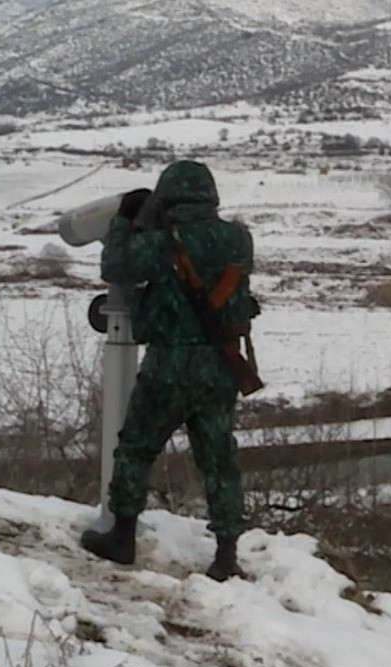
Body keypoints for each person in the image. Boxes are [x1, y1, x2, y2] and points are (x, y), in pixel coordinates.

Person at [79, 160, 259, 581]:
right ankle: (227, 555)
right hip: (220, 363)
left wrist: (126, 221)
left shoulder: (163, 244)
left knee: (137, 447)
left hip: (169, 363)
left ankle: (122, 536)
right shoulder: (239, 240)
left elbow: (116, 267)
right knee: (218, 458)